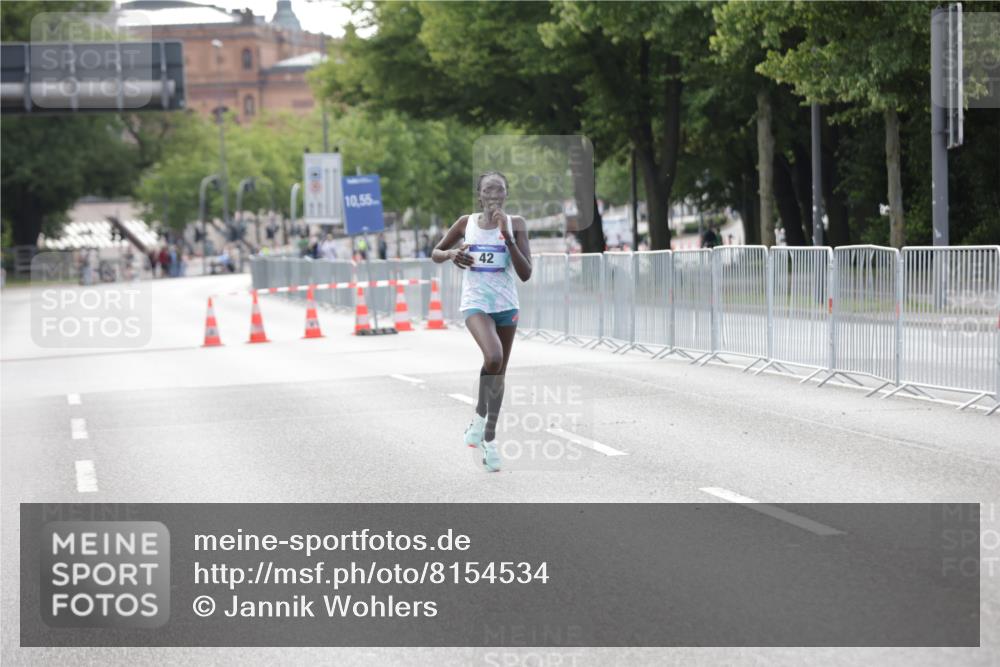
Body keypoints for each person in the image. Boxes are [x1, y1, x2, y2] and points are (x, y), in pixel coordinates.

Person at [432, 171, 532, 472]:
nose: (494, 195)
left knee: (499, 373)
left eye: (499, 190)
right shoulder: (466, 223)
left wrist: (508, 238)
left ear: (506, 195)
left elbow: (526, 273)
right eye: (488, 190)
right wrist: (451, 254)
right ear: (480, 195)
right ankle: (478, 415)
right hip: (476, 304)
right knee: (493, 357)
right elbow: (435, 252)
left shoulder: (516, 225)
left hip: (506, 305)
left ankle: (488, 439)